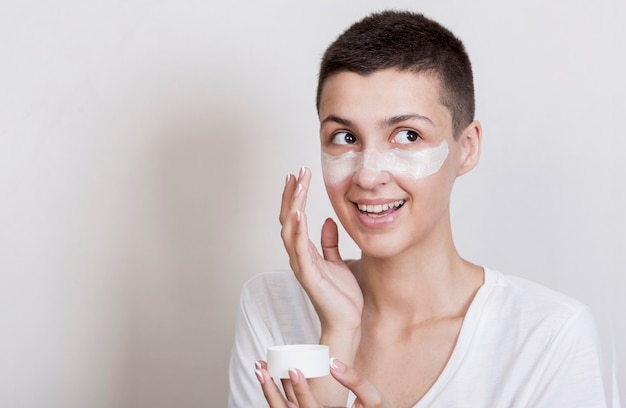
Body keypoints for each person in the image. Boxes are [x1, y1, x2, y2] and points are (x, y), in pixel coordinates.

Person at [228, 10, 607, 407]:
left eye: (407, 135)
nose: (368, 175)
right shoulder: (273, 307)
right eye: (345, 136)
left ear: (468, 147)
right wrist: (339, 330)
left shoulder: (549, 339)